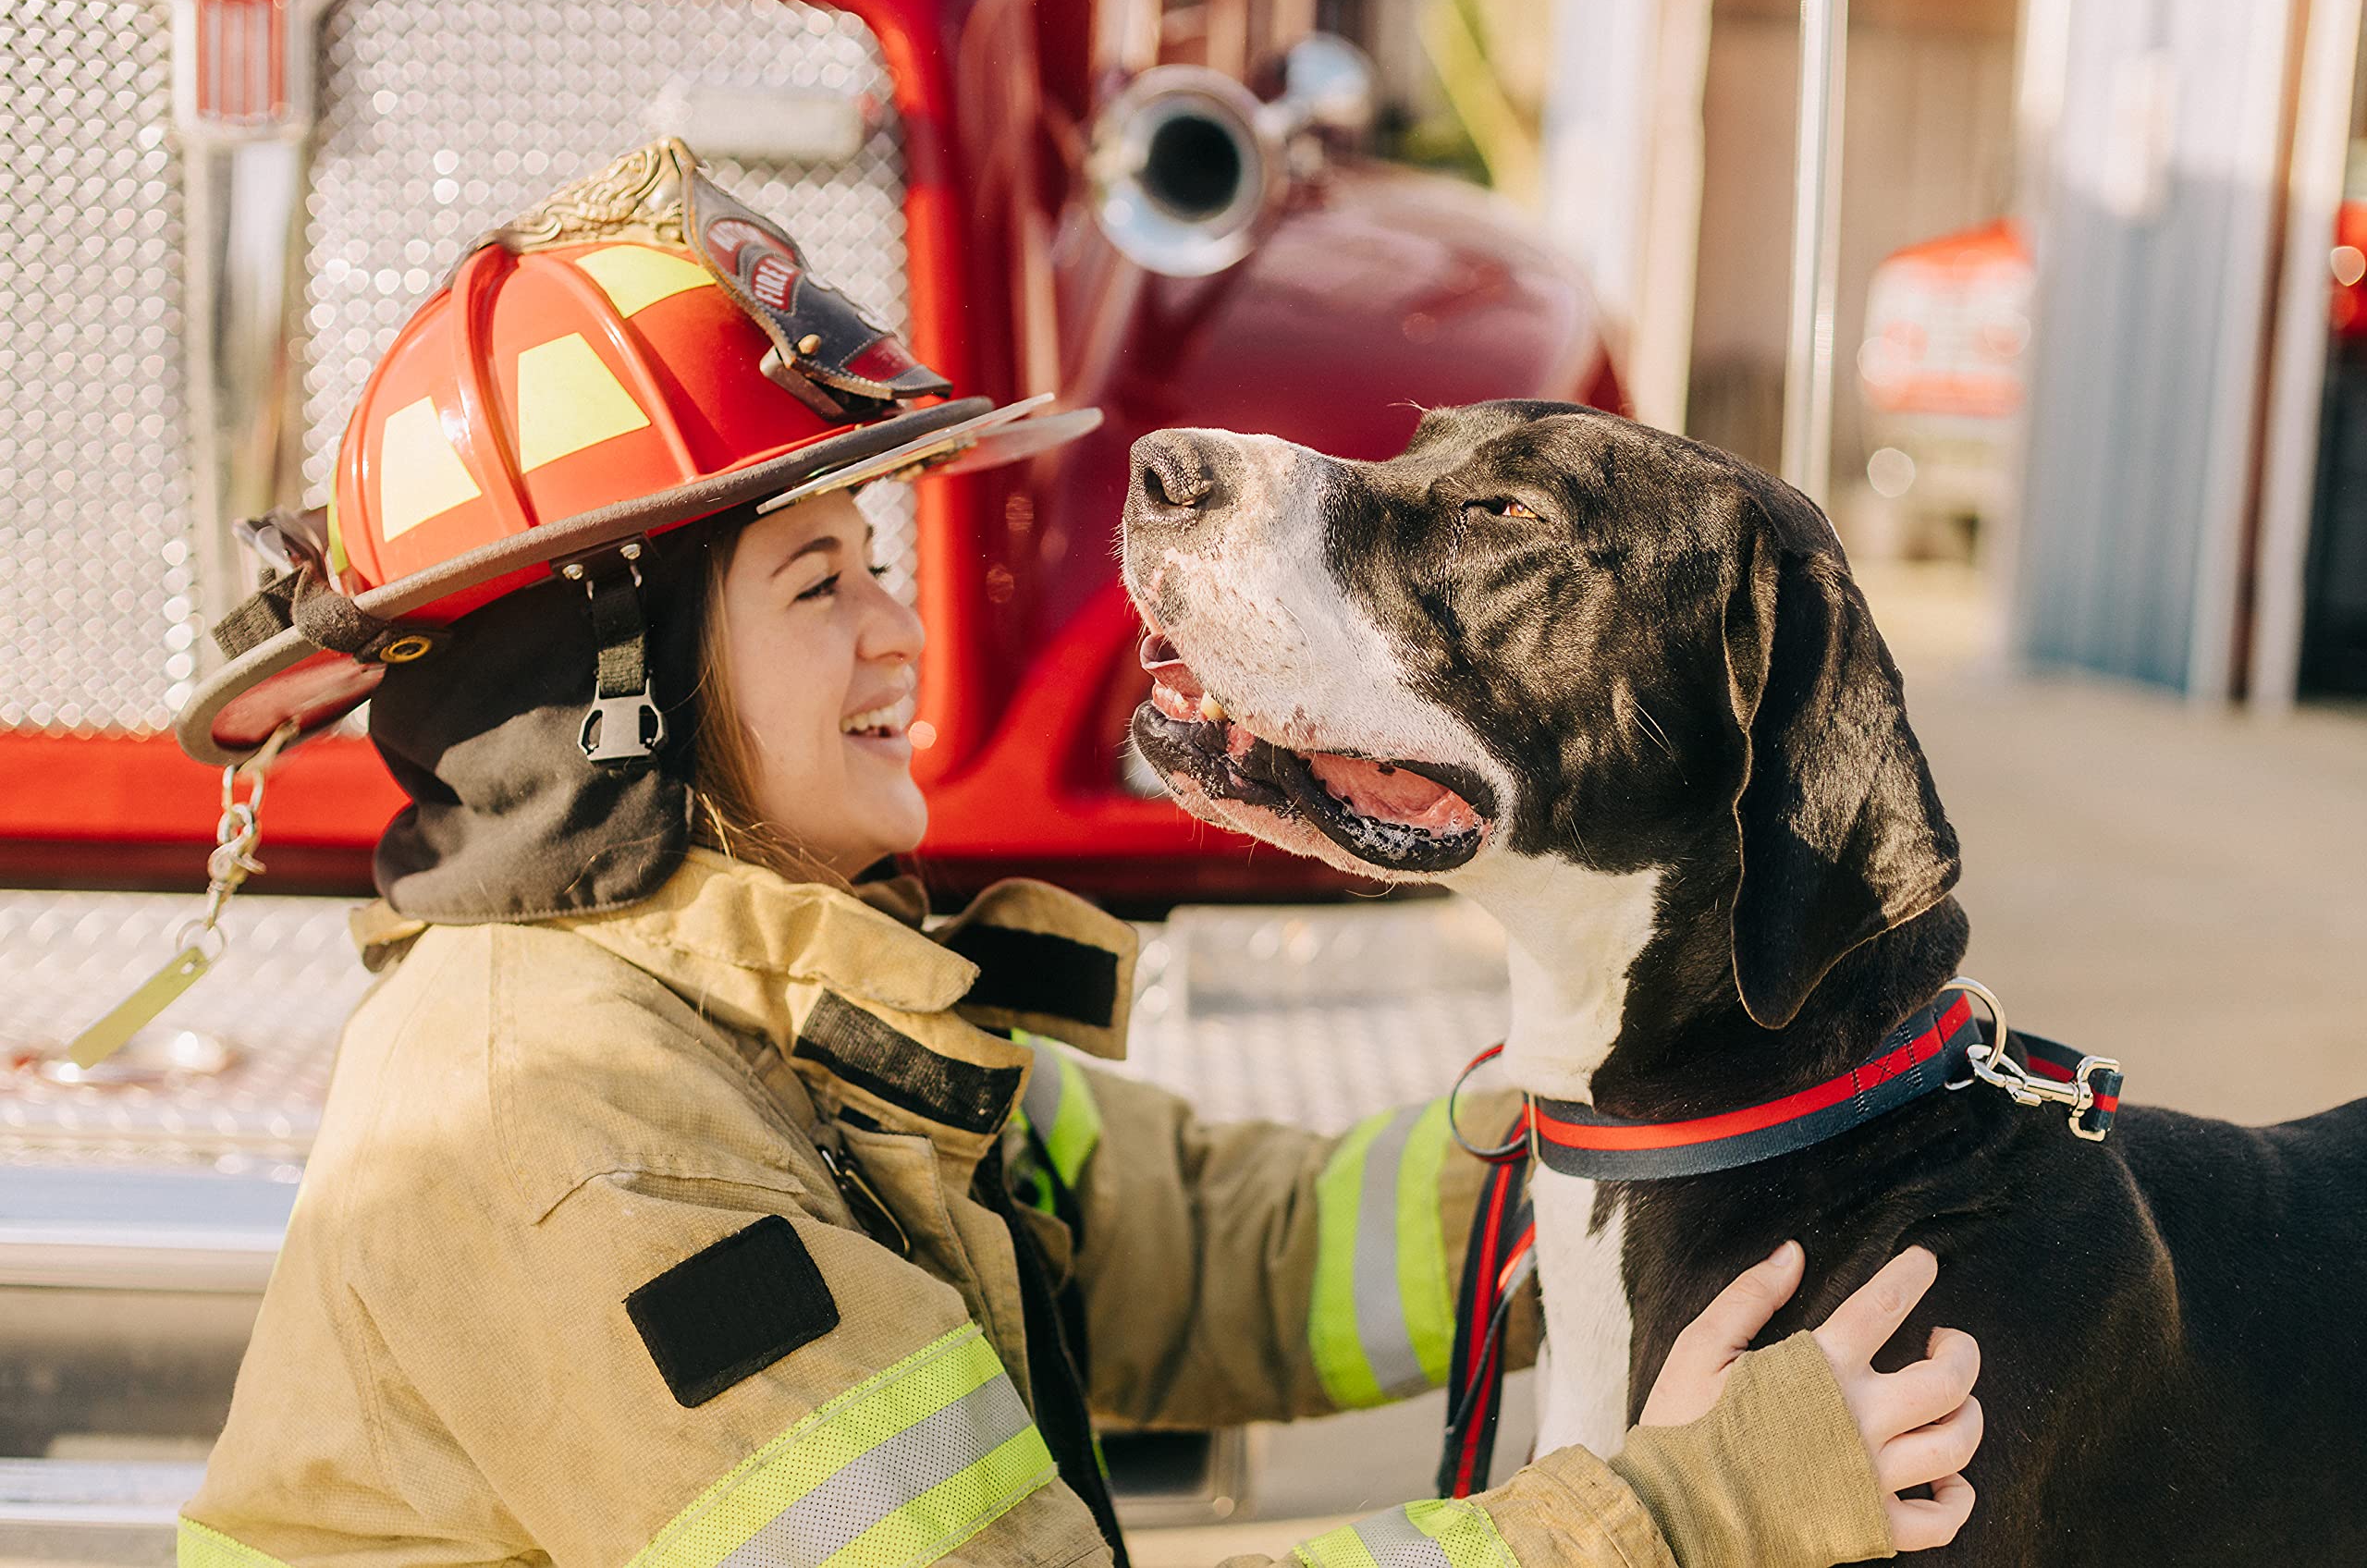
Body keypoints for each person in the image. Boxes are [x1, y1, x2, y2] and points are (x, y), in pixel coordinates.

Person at [171, 141, 1981, 1568]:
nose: (901, 635)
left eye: (878, 561)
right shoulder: (569, 1135)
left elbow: (1205, 1256)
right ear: (613, 701)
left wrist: (1607, 1110)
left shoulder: (775, 986)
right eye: (823, 586)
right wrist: (1683, 1516)